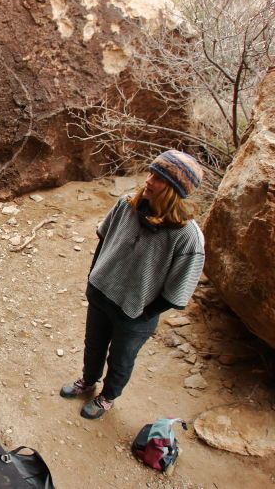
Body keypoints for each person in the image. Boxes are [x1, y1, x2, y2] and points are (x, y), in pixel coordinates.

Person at [61, 150, 206, 419]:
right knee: (93, 345)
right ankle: (88, 381)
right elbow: (104, 238)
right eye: (151, 173)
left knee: (121, 359)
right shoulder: (126, 205)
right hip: (102, 293)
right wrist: (95, 278)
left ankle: (107, 397)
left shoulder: (188, 238)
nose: (149, 180)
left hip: (135, 312)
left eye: (159, 178)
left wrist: (144, 312)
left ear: (174, 190)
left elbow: (178, 289)